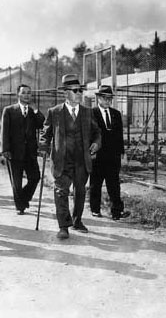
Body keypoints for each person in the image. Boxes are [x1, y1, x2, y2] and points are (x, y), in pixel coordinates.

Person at [39, 74, 101, 239]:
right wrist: (44, 147)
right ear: (66, 93)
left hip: (82, 160)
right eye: (76, 91)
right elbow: (46, 134)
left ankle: (77, 220)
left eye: (81, 90)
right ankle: (63, 226)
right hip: (62, 160)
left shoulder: (88, 112)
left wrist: (96, 143)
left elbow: (97, 133)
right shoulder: (55, 112)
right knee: (61, 192)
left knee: (80, 191)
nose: (80, 94)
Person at [0, 84, 45, 215]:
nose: (27, 95)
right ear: (18, 95)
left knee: (35, 177)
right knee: (16, 182)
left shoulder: (32, 112)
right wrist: (5, 149)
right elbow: (4, 131)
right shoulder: (9, 110)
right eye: (24, 92)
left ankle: (23, 199)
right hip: (14, 153)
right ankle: (20, 207)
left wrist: (36, 110)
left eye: (29, 93)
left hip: (30, 153)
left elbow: (42, 124)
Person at [90, 85, 129, 220]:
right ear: (98, 98)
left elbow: (119, 135)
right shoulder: (91, 113)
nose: (108, 101)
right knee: (96, 183)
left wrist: (121, 153)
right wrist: (91, 152)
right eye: (105, 98)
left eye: (110, 98)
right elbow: (90, 135)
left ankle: (117, 212)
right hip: (98, 155)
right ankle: (95, 209)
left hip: (113, 155)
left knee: (114, 183)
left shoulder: (116, 114)